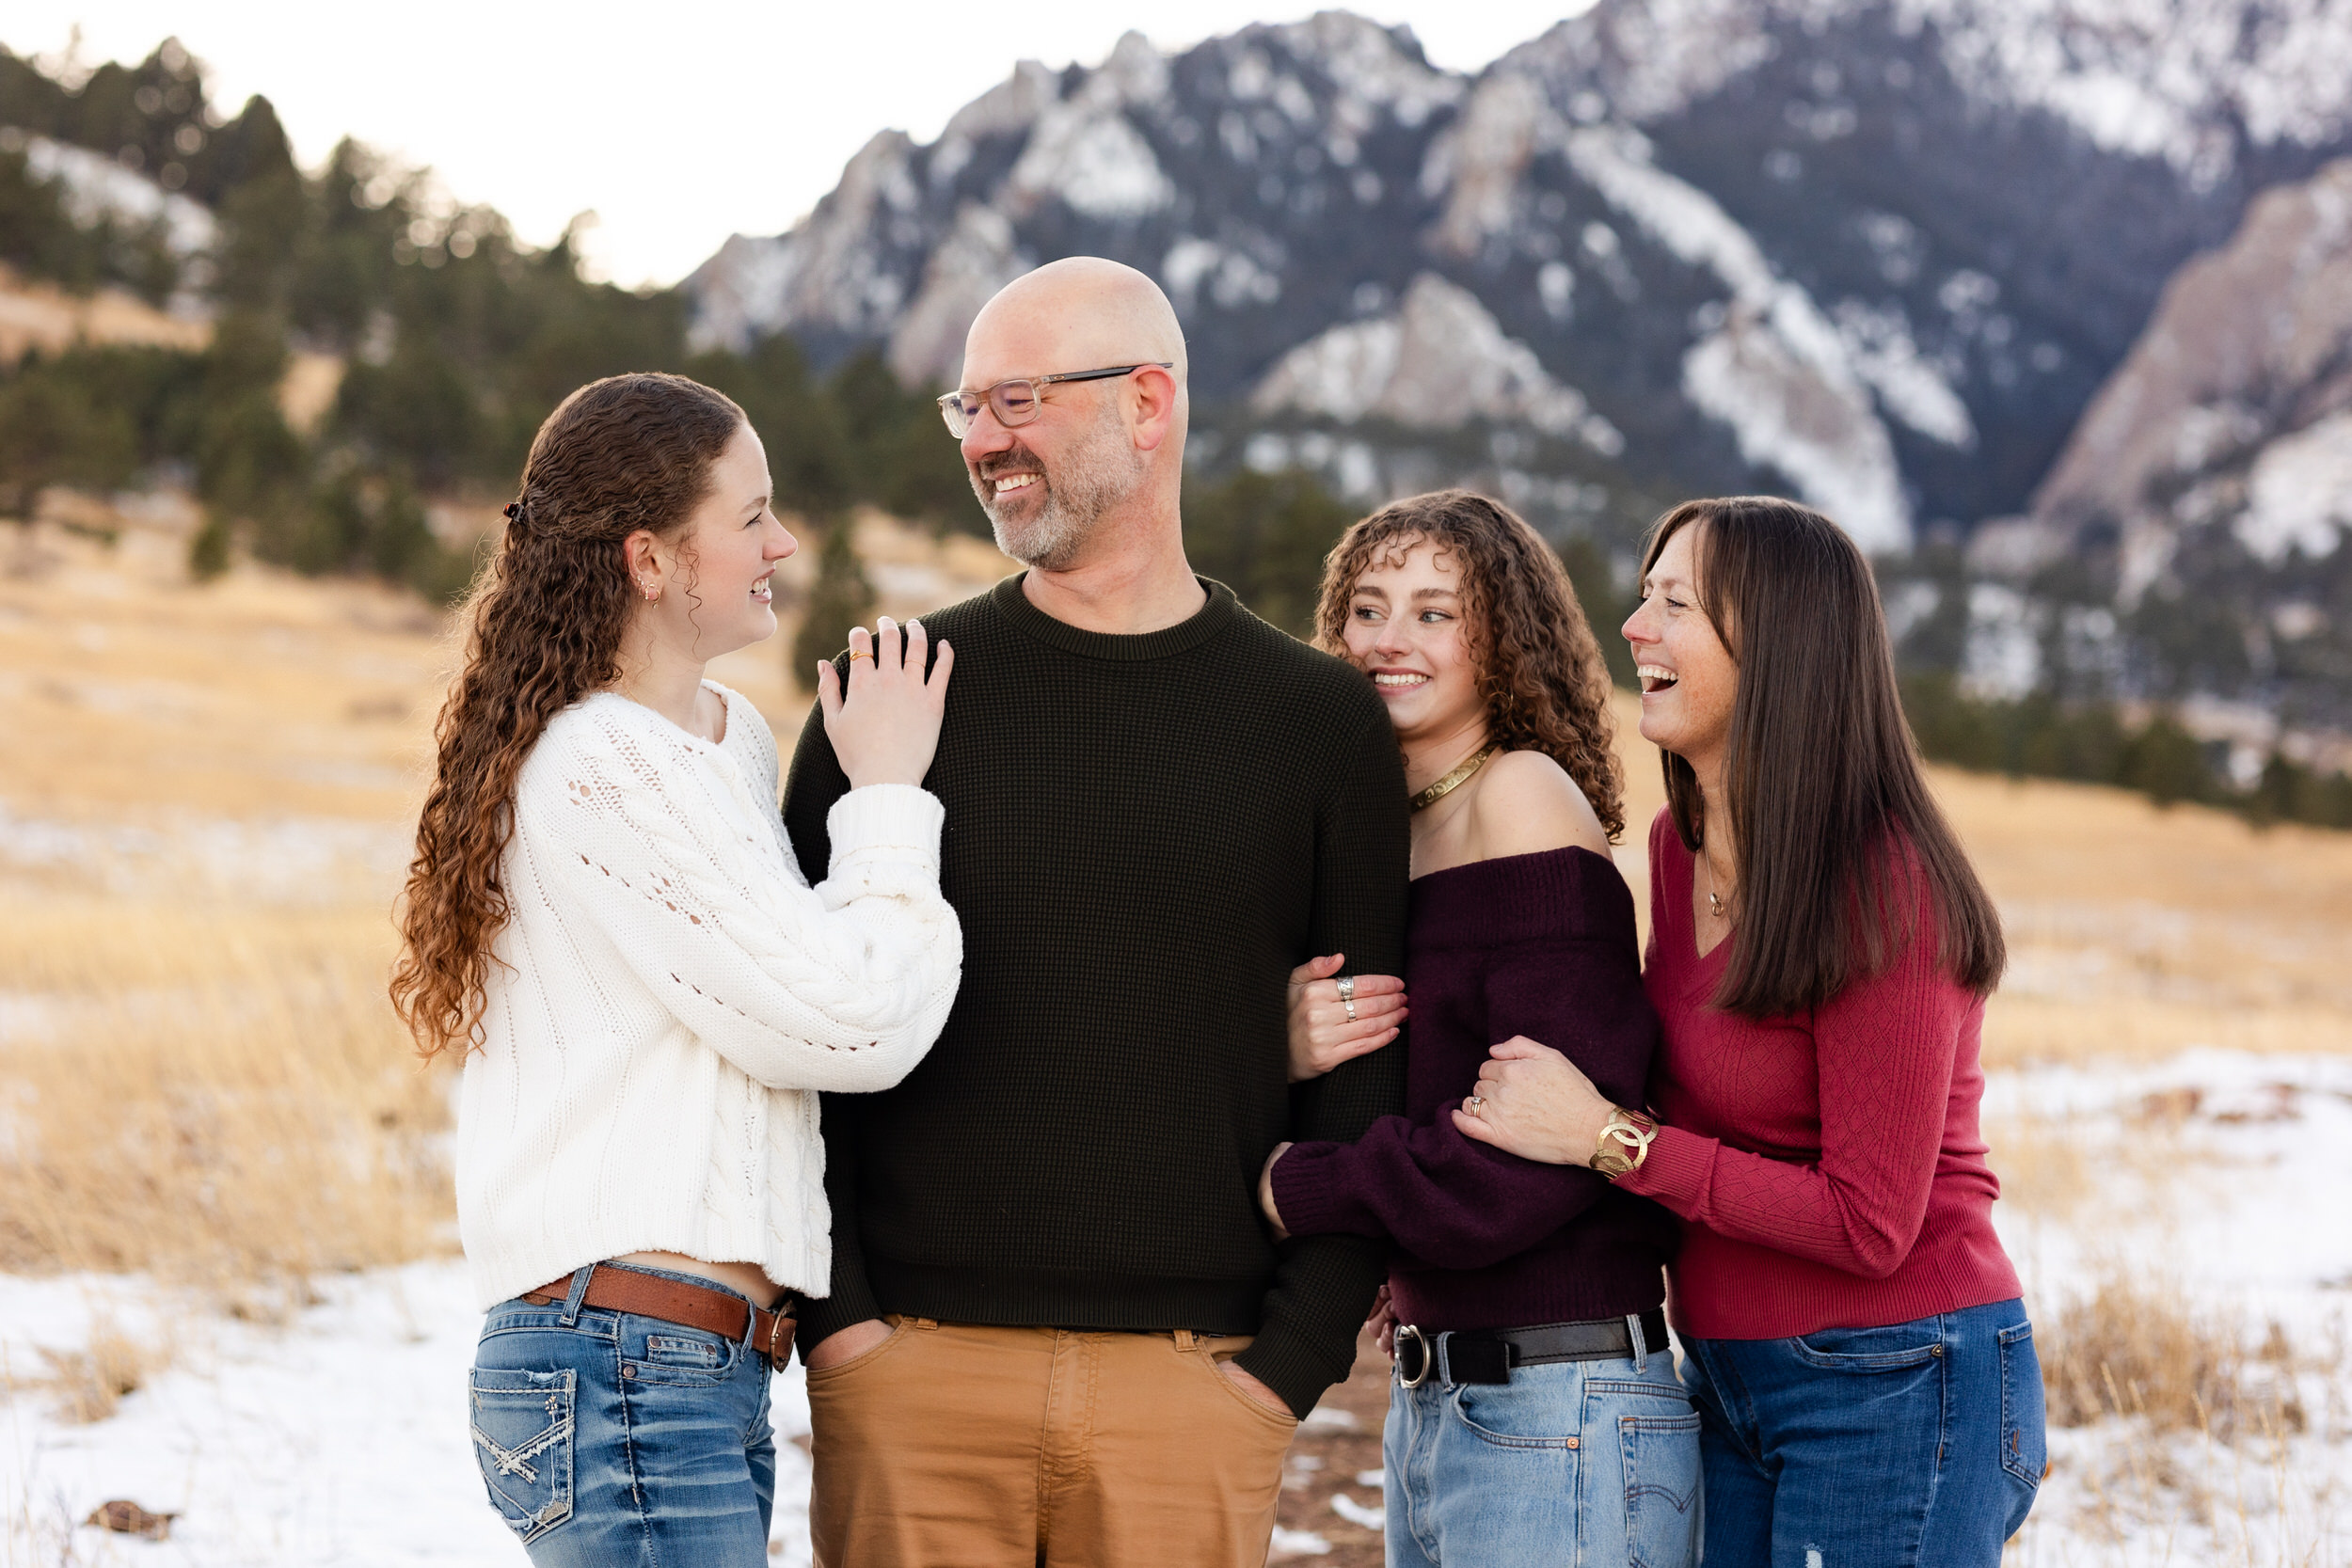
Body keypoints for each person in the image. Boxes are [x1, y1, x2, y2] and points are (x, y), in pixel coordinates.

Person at [781, 257, 1409, 1568]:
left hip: (1195, 1390)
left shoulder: (1318, 723)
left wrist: (1282, 1368)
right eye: (966, 408)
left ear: (1148, 403)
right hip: (912, 1383)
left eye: (1018, 399)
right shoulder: (887, 695)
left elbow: (1367, 1075)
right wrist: (841, 1328)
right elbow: (794, 1038)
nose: (984, 440)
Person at [389, 372, 962, 1566]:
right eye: (749, 515)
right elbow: (848, 1017)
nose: (783, 542)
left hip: (686, 1361)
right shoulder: (601, 761)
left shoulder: (723, 734)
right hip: (626, 1359)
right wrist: (890, 797)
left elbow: (777, 973)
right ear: (649, 559)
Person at [1459, 496, 2043, 1565]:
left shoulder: (1885, 885)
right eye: (1644, 595)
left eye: (1675, 603)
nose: (1635, 625)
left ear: (1777, 644)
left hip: (1898, 1376)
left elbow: (1870, 1223)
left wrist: (1609, 1139)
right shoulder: (1677, 847)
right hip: (1728, 1376)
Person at [1259, 489, 1695, 1568]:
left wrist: (1296, 1186)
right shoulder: (1392, 828)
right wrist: (1285, 1049)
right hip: (1448, 1391)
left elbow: (1532, 1160)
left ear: (1501, 639)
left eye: (1434, 612)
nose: (1389, 639)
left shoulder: (1518, 796)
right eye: (1367, 608)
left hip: (1558, 1400)